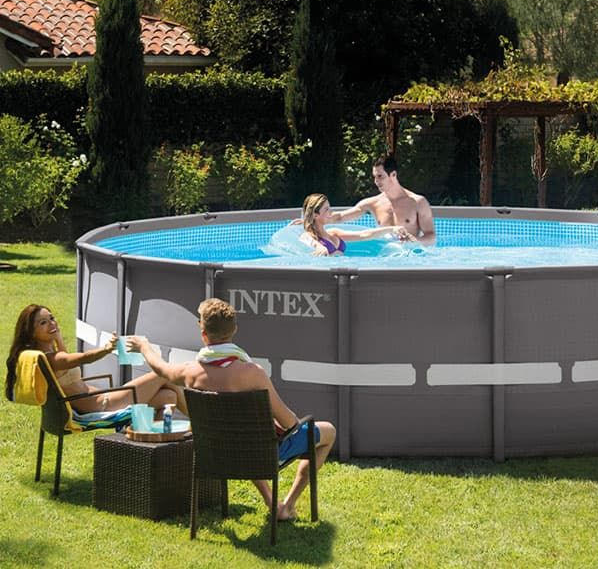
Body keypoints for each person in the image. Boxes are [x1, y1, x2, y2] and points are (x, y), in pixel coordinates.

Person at [126, 297, 336, 521]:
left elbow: (161, 368)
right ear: (234, 330)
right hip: (261, 454)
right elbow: (290, 424)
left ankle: (272, 503)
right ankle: (288, 505)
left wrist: (144, 346)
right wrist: (289, 421)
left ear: (203, 333)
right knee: (328, 431)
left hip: (215, 453)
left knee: (241, 433)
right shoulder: (253, 373)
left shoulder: (190, 372)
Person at [5, 304, 186, 415]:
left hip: (104, 398)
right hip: (104, 405)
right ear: (31, 332)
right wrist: (106, 349)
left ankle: (154, 445)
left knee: (168, 396)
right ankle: (200, 425)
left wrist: (57, 337)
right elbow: (84, 358)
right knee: (163, 374)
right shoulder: (54, 359)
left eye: (51, 318)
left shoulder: (50, 357)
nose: (51, 323)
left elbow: (66, 362)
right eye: (43, 322)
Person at [293, 155, 436, 245]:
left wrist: (413, 242)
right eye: (374, 177)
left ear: (393, 174)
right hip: (385, 256)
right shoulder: (373, 203)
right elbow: (341, 216)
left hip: (409, 257)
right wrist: (310, 220)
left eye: (380, 176)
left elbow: (431, 237)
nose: (376, 181)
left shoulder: (418, 202)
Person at [301, 193, 414, 256]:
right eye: (326, 209)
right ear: (315, 215)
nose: (330, 212)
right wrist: (320, 247)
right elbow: (309, 241)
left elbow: (363, 235)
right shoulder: (308, 236)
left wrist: (392, 229)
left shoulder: (334, 233)